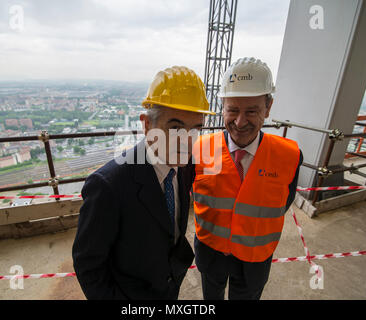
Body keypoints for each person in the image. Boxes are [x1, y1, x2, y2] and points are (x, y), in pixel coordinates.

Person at [72, 66, 215, 299]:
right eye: (176, 128)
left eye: (196, 129)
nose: (187, 142)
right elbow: (89, 266)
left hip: (170, 285)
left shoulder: (185, 166)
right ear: (147, 125)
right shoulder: (108, 186)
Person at [192, 57, 303, 300]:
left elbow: (284, 203)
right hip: (211, 255)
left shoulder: (289, 156)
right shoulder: (200, 150)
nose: (240, 122)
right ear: (222, 107)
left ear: (268, 107)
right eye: (232, 110)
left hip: (255, 260)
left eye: (251, 111)